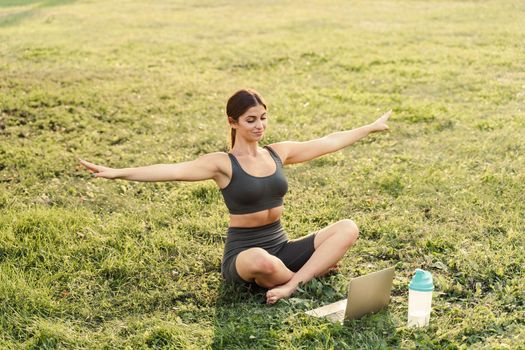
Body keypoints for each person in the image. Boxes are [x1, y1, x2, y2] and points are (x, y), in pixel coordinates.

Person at [79, 88, 391, 304]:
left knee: (347, 227)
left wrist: (370, 127)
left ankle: (293, 282)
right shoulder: (222, 164)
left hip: (281, 246)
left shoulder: (277, 153)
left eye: (263, 118)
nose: (259, 126)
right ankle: (310, 272)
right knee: (261, 262)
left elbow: (327, 141)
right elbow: (172, 169)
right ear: (233, 122)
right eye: (251, 120)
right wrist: (117, 171)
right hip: (244, 256)